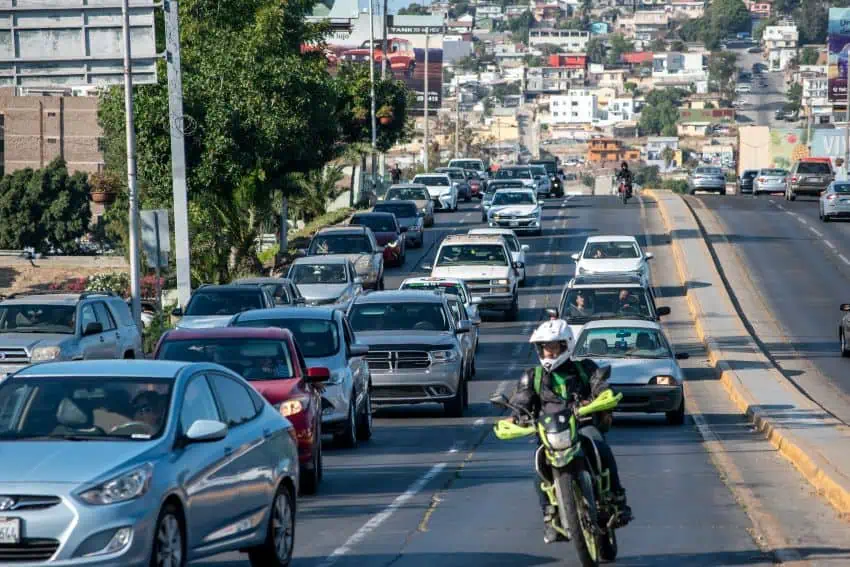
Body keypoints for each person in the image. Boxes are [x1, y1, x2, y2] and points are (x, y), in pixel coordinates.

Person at [505, 319, 632, 544]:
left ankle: (617, 499)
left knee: (600, 446)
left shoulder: (585, 368)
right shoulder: (532, 376)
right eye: (545, 347)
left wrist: (602, 397)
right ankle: (549, 515)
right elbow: (521, 401)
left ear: (566, 345)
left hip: (582, 426)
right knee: (538, 468)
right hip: (551, 433)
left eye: (554, 346)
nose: (549, 352)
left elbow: (600, 386)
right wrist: (515, 417)